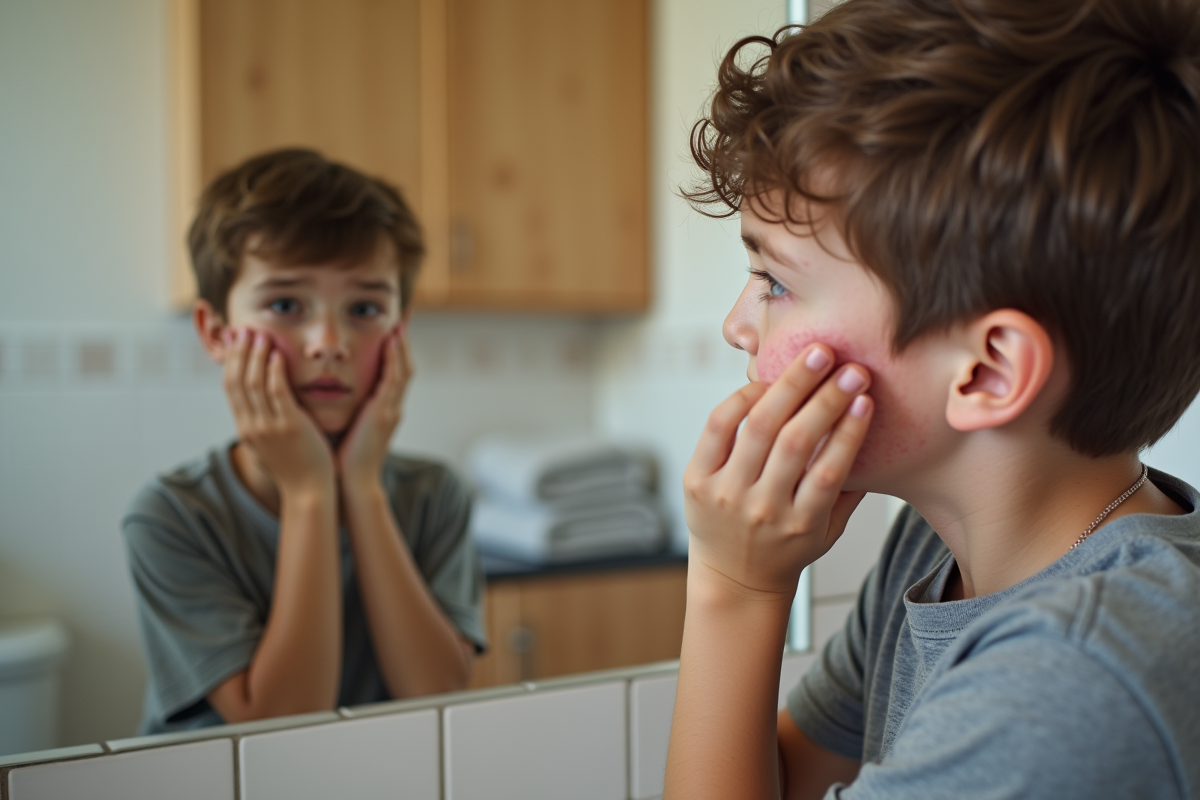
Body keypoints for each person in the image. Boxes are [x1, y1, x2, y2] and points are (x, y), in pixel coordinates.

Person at [663, 0, 1200, 797]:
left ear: (986, 372)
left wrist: (734, 590)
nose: (737, 325)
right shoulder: (936, 551)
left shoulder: (1070, 685)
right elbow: (775, 777)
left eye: (774, 280)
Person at [122, 148, 485, 734]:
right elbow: (280, 733)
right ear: (215, 333)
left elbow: (437, 695)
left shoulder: (435, 494)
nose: (329, 342)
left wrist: (362, 489)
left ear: (401, 331)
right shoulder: (170, 515)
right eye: (286, 305)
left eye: (364, 308)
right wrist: (309, 493)